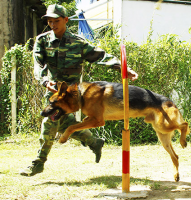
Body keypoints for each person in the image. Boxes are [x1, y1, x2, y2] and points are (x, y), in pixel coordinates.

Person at [20, 4, 138, 176]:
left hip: (73, 96)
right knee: (60, 123)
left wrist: (122, 67)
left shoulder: (78, 43)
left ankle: (38, 163)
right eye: (50, 21)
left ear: (66, 20)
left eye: (57, 21)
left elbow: (101, 56)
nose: (53, 25)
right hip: (53, 93)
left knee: (50, 123)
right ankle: (94, 141)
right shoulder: (43, 40)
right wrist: (45, 80)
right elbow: (37, 65)